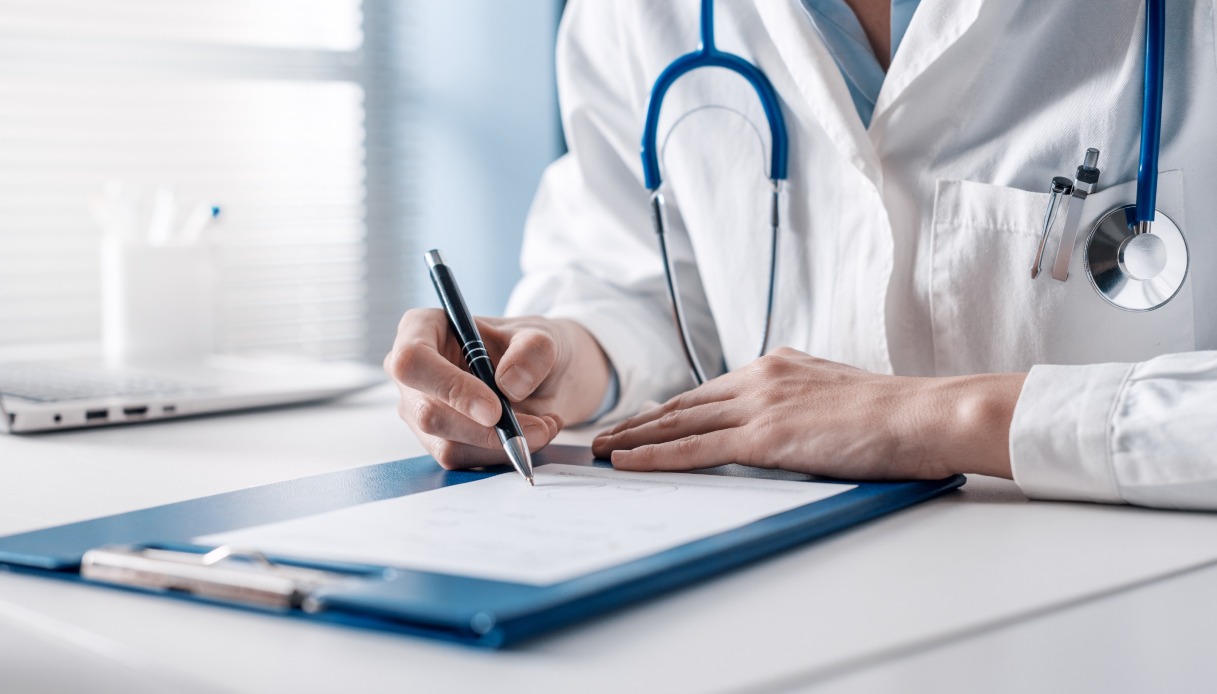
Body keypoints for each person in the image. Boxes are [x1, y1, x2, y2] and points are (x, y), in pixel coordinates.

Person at [386, 0, 1217, 510]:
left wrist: (944, 419)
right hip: (782, 602)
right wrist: (561, 357)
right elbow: (634, 277)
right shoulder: (624, 14)